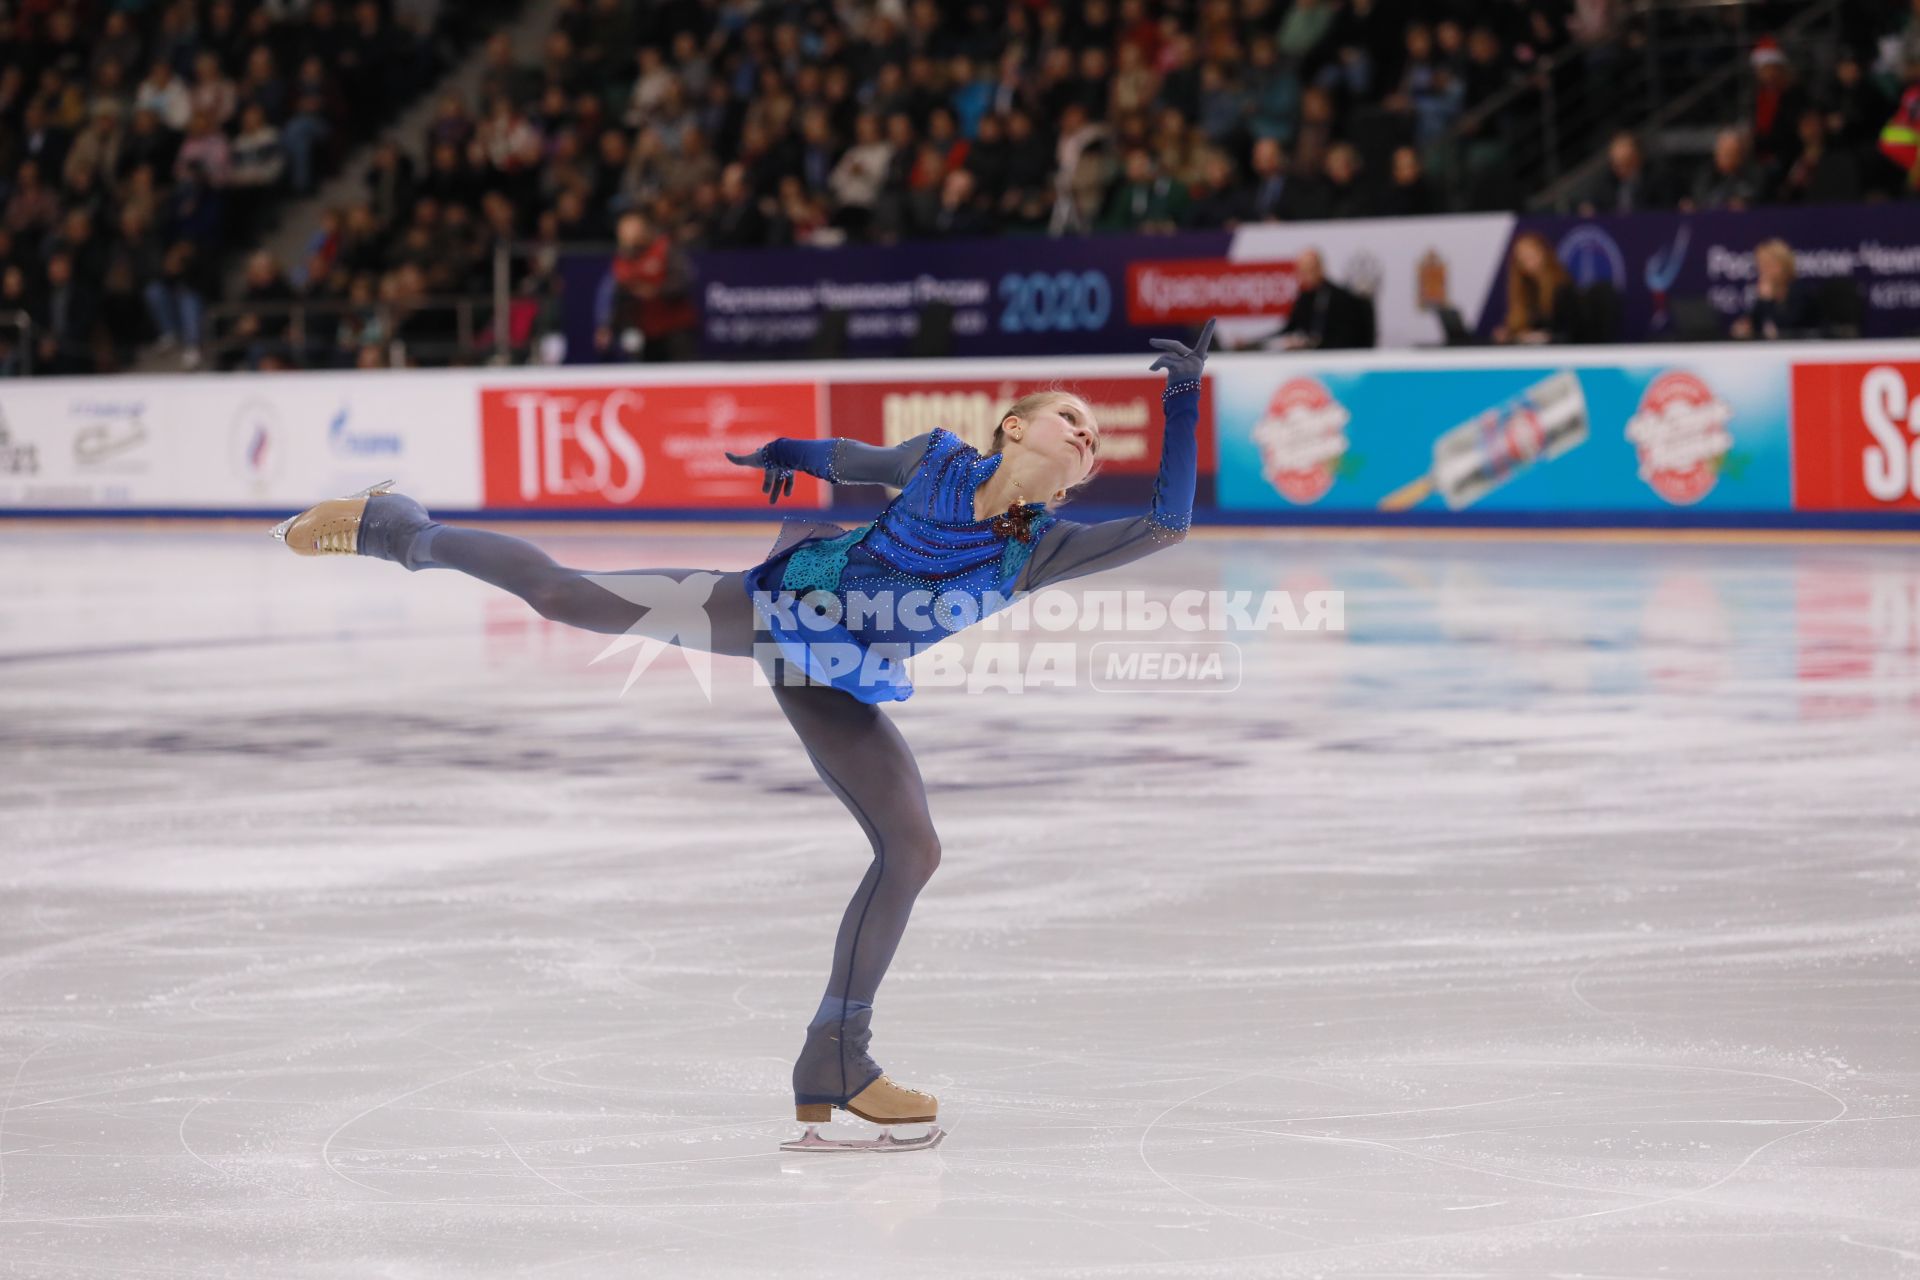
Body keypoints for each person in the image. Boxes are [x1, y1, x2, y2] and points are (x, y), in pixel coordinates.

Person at [267, 320, 1217, 1153]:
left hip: (840, 680)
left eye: (1093, 440)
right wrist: (794, 450)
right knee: (565, 596)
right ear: (1013, 426)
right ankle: (397, 527)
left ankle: (835, 1060)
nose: (1085, 438)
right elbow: (856, 459)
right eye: (1069, 420)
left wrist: (1182, 398)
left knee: (913, 847)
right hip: (779, 611)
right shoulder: (935, 458)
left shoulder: (1043, 546)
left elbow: (1170, 522)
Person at [1270, 249, 1371, 350]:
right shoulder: (1304, 297)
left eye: (1309, 270)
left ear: (1320, 269)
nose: (1304, 276)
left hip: (1335, 356)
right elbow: (1290, 328)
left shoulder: (1339, 297)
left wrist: (1314, 346)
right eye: (1301, 271)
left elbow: (1346, 337)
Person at [1495, 231, 1577, 345]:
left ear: (1544, 254)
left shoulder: (1562, 288)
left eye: (1531, 256)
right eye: (1522, 258)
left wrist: (1546, 337)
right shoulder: (1523, 290)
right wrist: (1511, 334)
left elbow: (1572, 332)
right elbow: (1522, 326)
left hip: (1561, 352)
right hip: (1532, 354)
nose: (1527, 262)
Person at [1730, 238, 1816, 339]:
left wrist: (1767, 301)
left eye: (1768, 265)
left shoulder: (1800, 292)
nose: (1763, 270)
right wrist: (1745, 327)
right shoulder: (1767, 292)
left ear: (1784, 265)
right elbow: (1756, 320)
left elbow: (1786, 328)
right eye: (1760, 265)